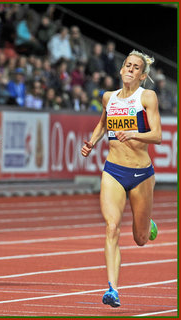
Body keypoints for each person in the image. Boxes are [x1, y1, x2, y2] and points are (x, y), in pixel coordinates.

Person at [80, 50, 161, 308]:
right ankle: (112, 289)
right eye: (128, 65)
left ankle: (147, 223)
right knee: (111, 227)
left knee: (140, 239)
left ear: (142, 75)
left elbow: (157, 135)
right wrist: (92, 142)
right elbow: (103, 123)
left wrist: (135, 135)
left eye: (136, 67)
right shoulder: (109, 97)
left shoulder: (147, 97)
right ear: (121, 69)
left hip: (140, 174)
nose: (130, 69)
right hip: (113, 170)